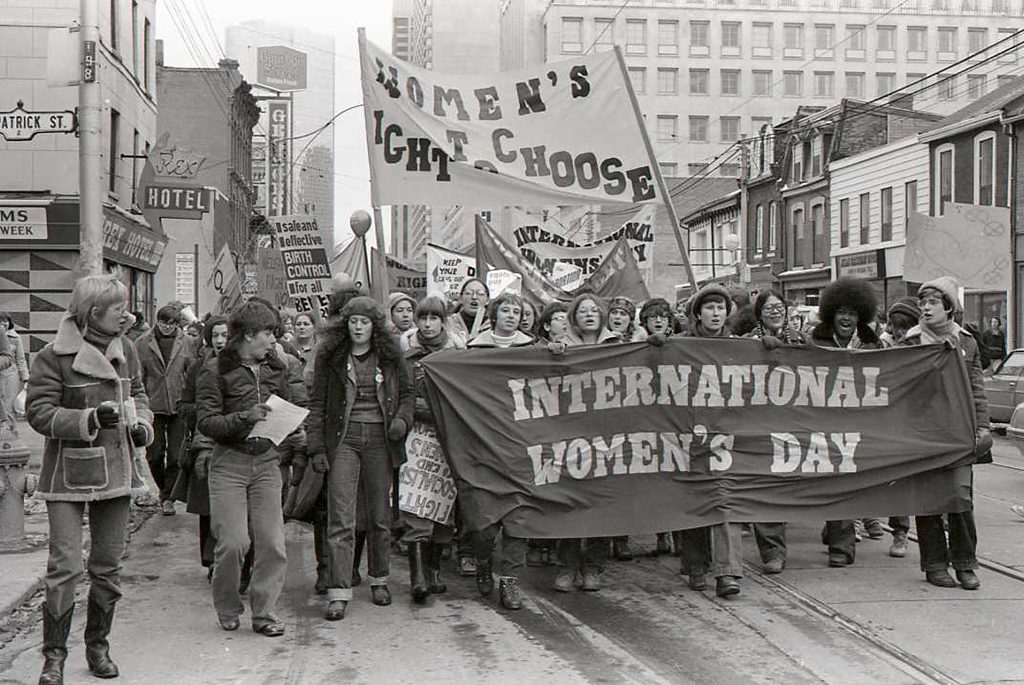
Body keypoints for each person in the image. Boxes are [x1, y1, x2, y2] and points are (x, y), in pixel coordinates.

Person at [26, 274, 154, 683]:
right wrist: (87, 419)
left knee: (107, 566)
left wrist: (142, 427)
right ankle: (54, 656)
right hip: (67, 474)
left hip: (116, 472)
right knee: (63, 565)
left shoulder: (127, 349)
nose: (125, 315)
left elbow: (142, 399)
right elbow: (39, 413)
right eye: (117, 308)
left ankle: (98, 647)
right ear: (93, 313)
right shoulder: (54, 356)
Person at [306, 296, 414, 621]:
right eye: (352, 321)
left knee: (380, 515)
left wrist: (401, 421)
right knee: (341, 517)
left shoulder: (391, 356)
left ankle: (379, 579)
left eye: (364, 322)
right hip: (343, 440)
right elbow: (318, 404)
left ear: (374, 326)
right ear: (344, 325)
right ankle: (339, 591)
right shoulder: (332, 357)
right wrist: (316, 447)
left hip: (381, 438)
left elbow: (408, 396)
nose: (357, 327)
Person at [195, 300, 293, 637]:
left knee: (273, 543)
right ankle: (227, 606)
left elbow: (290, 403)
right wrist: (244, 417)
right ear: (249, 335)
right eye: (268, 333)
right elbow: (206, 422)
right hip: (229, 464)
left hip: (266, 462)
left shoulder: (275, 368)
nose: (272, 340)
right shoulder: (214, 371)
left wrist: (293, 427)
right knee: (234, 542)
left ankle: (264, 613)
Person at [902, 277, 991, 590]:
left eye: (932, 302)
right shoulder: (911, 341)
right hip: (924, 432)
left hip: (958, 431)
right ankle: (935, 564)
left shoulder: (966, 342)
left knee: (960, 498)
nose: (925, 308)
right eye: (922, 302)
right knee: (928, 501)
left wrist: (983, 426)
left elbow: (977, 389)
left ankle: (965, 562)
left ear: (949, 307)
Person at [676, 284, 745, 598]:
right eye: (709, 307)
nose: (716, 313)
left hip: (726, 438)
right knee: (693, 501)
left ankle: (727, 572)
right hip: (688, 434)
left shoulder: (740, 346)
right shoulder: (681, 345)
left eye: (721, 308)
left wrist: (772, 349)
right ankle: (695, 564)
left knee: (723, 501)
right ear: (698, 313)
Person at [809, 277, 883, 568]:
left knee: (849, 483)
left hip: (859, 422)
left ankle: (839, 538)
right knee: (833, 482)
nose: (846, 318)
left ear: (860, 316)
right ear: (831, 314)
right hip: (823, 421)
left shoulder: (871, 343)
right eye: (841, 312)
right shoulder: (816, 338)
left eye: (852, 313)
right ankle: (839, 539)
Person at [467, 293, 534, 609]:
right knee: (485, 518)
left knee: (518, 516)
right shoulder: (474, 349)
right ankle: (483, 561)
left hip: (521, 441)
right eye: (505, 309)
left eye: (517, 310)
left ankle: (510, 580)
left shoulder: (532, 349)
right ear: (494, 315)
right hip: (484, 440)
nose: (511, 315)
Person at [553, 294, 620, 592]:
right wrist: (553, 354)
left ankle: (593, 566)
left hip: (607, 433)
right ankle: (567, 566)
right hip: (570, 433)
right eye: (583, 311)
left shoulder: (618, 344)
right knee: (569, 502)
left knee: (600, 503)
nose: (590, 314)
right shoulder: (560, 346)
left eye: (595, 310)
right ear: (573, 317)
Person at [402, 295, 465, 602]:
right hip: (417, 437)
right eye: (422, 319)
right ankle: (417, 575)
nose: (427, 325)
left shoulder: (456, 357)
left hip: (448, 440)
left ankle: (434, 568)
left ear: (443, 321)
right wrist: (426, 410)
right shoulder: (408, 358)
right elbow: (401, 397)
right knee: (417, 501)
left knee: (443, 502)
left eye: (433, 318)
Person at [744, 288, 805, 574]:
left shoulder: (800, 340)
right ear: (759, 312)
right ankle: (772, 551)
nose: (775, 311)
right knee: (765, 486)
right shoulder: (744, 344)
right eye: (768, 307)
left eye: (779, 306)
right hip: (759, 423)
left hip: (793, 422)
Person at [174, 316, 229, 577]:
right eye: (215, 335)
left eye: (225, 335)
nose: (220, 341)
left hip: (233, 442)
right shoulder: (198, 368)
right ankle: (211, 560)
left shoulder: (242, 367)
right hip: (205, 442)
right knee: (208, 506)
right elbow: (183, 406)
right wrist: (207, 409)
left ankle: (230, 557)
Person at [136, 304, 197, 515]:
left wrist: (191, 402)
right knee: (154, 454)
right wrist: (139, 403)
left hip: (178, 405)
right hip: (153, 406)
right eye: (164, 323)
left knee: (175, 456)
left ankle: (168, 497)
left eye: (172, 324)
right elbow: (137, 377)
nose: (168, 328)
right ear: (157, 321)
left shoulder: (188, 343)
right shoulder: (142, 343)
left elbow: (192, 375)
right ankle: (163, 489)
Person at [882, 297, 921, 558]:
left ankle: (904, 530)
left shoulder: (924, 345)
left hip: (914, 422)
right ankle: (897, 530)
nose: (899, 331)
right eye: (895, 326)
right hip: (887, 421)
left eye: (904, 326)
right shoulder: (880, 345)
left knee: (910, 479)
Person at [639, 298, 678, 556]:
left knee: (673, 483)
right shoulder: (633, 346)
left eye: (663, 316)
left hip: (673, 420)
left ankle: (672, 533)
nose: (658, 320)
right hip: (643, 419)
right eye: (653, 316)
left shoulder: (683, 344)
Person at [0, 312, 29, 419]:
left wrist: (25, 378)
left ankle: (10, 430)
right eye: (1, 321)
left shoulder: (15, 338)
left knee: (9, 405)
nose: (3, 324)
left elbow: (21, 359)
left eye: (5, 321)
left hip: (10, 374)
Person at [448, 278, 490, 344]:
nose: (474, 297)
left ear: (487, 300)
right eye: (468, 293)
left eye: (480, 293)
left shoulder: (494, 326)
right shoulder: (449, 324)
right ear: (461, 298)